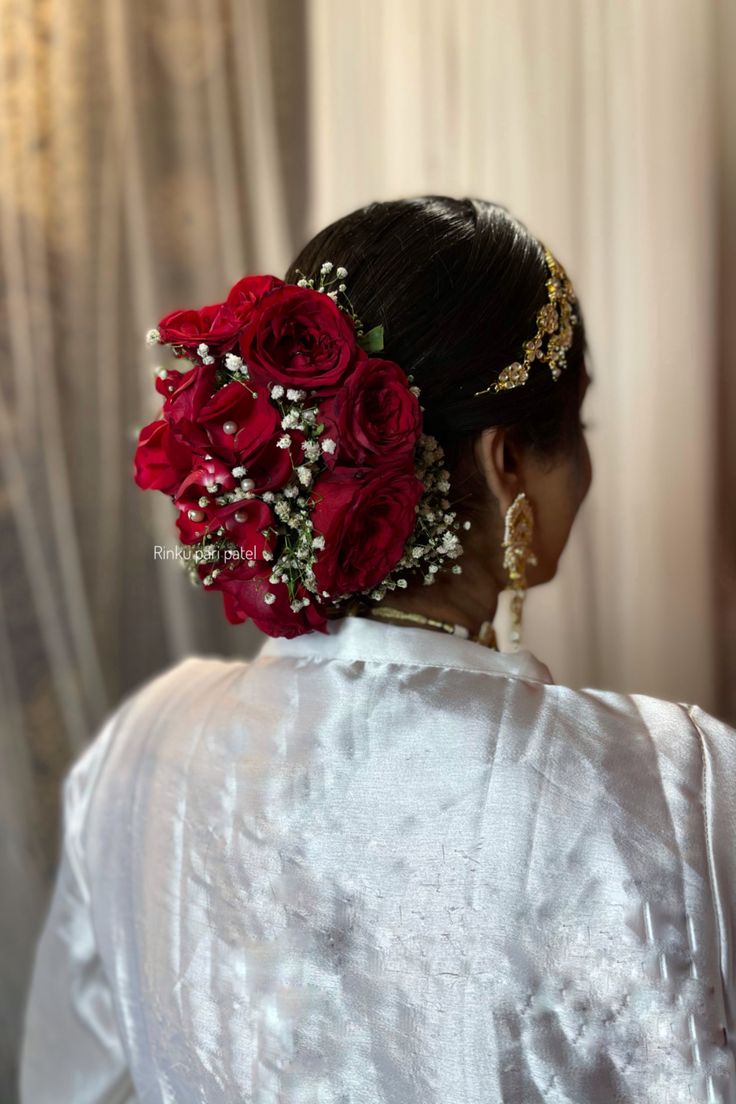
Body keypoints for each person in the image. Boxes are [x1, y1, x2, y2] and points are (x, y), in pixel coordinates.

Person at [20, 196, 735, 1103]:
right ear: (505, 460)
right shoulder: (676, 785)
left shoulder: (137, 752)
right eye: (578, 428)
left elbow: (69, 1085)